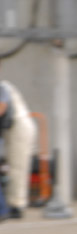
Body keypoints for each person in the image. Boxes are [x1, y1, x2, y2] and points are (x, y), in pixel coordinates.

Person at [0, 77, 37, 219]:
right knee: (11, 166)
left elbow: (1, 107)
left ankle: (17, 205)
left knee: (17, 167)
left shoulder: (2, 86)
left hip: (19, 127)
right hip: (10, 129)